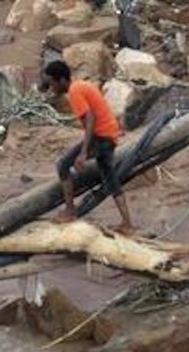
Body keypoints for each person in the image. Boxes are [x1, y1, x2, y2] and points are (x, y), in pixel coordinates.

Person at [41, 60, 135, 234]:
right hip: (110, 134)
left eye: (52, 83)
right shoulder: (81, 85)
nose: (51, 87)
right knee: (111, 178)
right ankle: (127, 224)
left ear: (62, 80)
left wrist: (83, 153)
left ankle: (70, 211)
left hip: (102, 137)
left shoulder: (74, 92)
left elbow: (90, 119)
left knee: (62, 165)